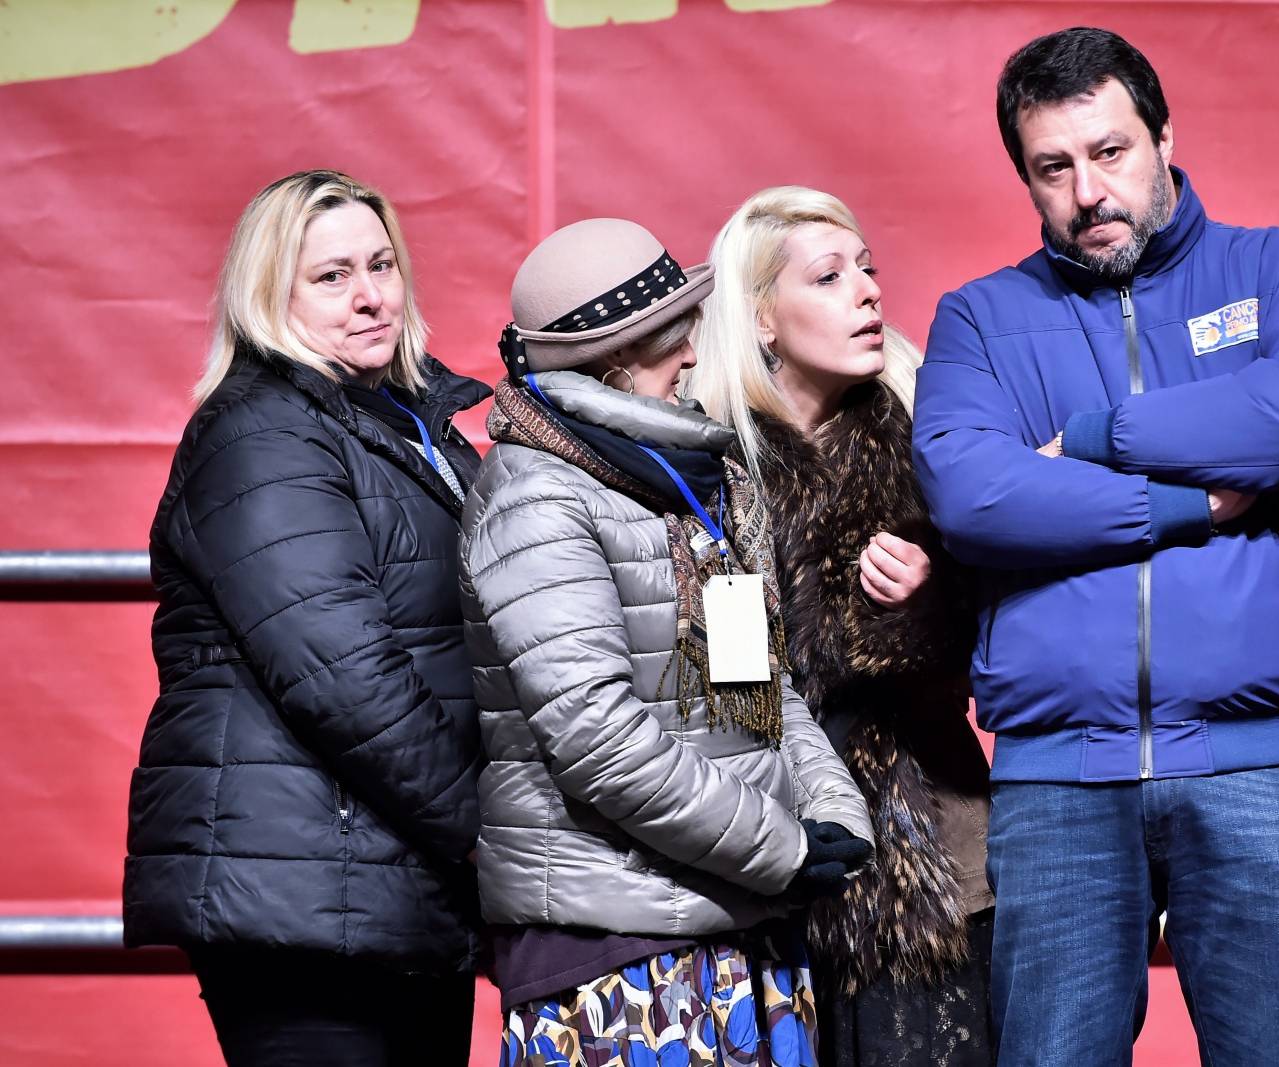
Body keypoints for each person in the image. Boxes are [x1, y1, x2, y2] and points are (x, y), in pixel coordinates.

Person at [911, 28, 1279, 1067]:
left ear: (1163, 137)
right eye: (1052, 167)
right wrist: (1188, 506)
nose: (1086, 190)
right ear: (1025, 178)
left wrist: (1099, 435)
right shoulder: (980, 319)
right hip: (1057, 775)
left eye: (1109, 151)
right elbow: (974, 495)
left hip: (1255, 761)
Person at [461, 217, 873, 1066]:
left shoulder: (683, 482)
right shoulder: (537, 495)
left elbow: (763, 685)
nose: (692, 355)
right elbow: (596, 735)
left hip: (742, 917)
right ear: (612, 367)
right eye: (670, 339)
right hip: (621, 950)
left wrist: (834, 813)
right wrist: (784, 848)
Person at [123, 170, 490, 1066]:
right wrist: (492, 836)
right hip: (303, 904)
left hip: (389, 885)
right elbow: (346, 678)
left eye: (382, 264)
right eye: (330, 276)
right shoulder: (264, 433)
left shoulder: (408, 424)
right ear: (267, 294)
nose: (370, 296)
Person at [687, 186, 995, 1067]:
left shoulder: (935, 442)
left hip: (941, 857)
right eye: (829, 276)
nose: (866, 291)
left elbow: (1018, 633)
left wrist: (942, 586)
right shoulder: (706, 475)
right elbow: (725, 689)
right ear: (763, 319)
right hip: (766, 865)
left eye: (867, 269)